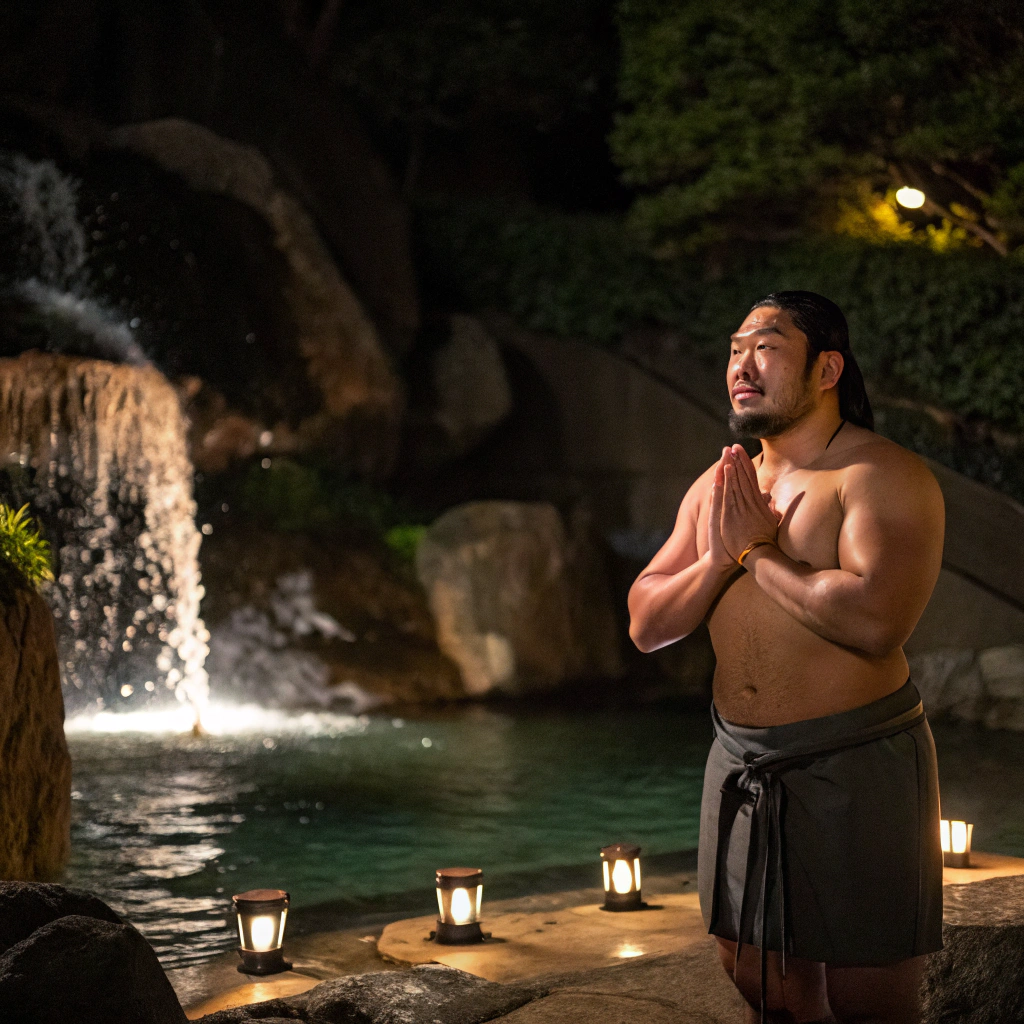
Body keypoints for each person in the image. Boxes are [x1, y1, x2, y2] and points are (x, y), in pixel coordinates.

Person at [627, 291, 945, 1024]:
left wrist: (758, 554)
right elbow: (646, 623)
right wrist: (717, 560)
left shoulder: (876, 475)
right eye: (735, 348)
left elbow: (875, 623)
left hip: (855, 756)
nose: (742, 363)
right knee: (754, 971)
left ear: (827, 368)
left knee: (870, 994)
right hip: (740, 758)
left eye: (766, 346)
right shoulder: (723, 485)